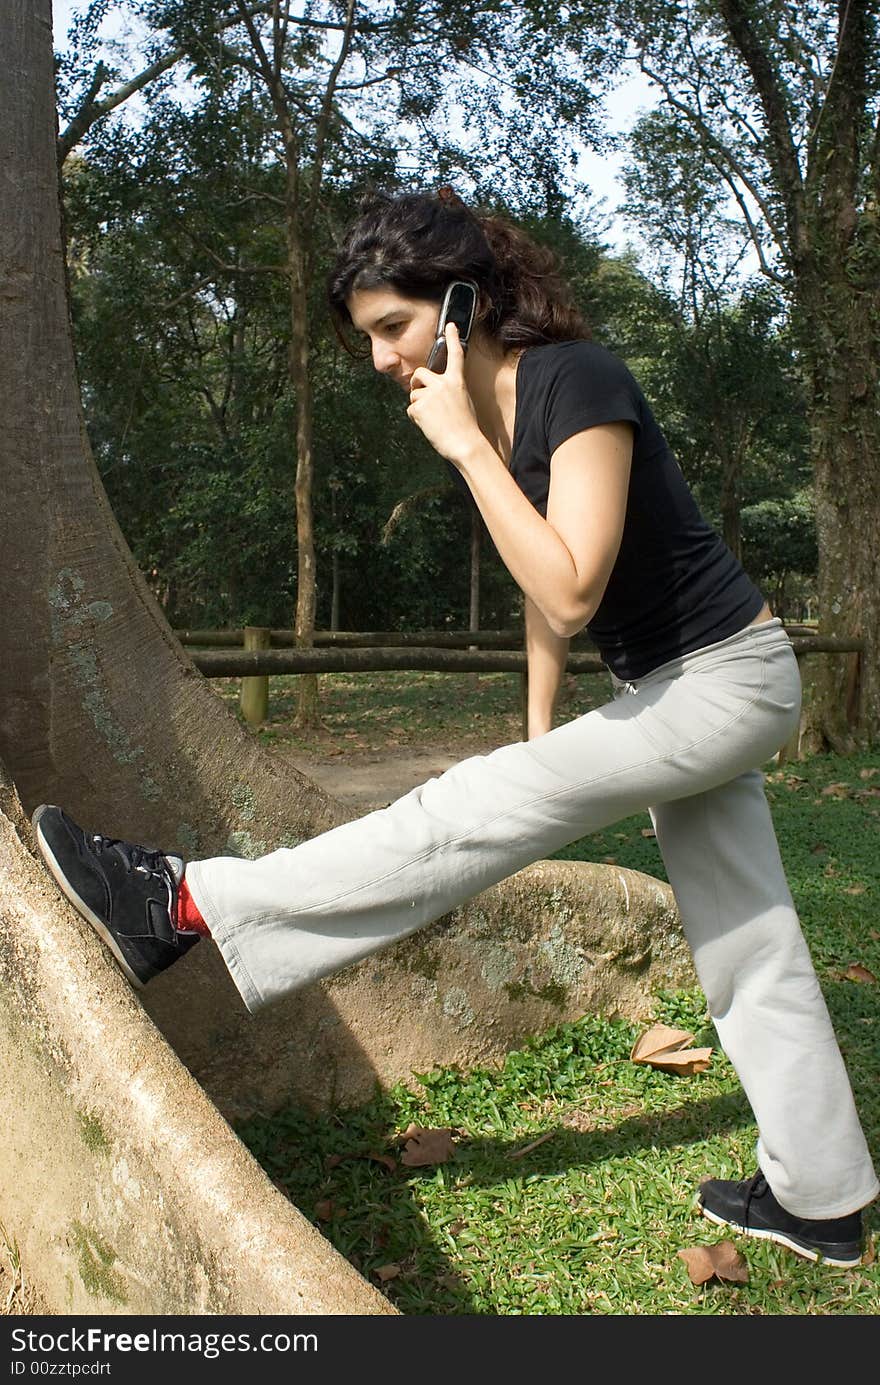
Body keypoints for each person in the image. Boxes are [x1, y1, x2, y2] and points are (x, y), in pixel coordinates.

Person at [33, 189, 877, 1270]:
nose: (384, 357)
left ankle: (182, 902)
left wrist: (470, 451)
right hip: (679, 690)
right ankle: (820, 1195)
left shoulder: (583, 380)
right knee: (746, 937)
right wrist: (534, 731)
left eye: (394, 325)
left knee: (459, 809)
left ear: (464, 299)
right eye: (368, 338)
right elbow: (545, 591)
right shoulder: (506, 413)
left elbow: (570, 589)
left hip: (722, 681)